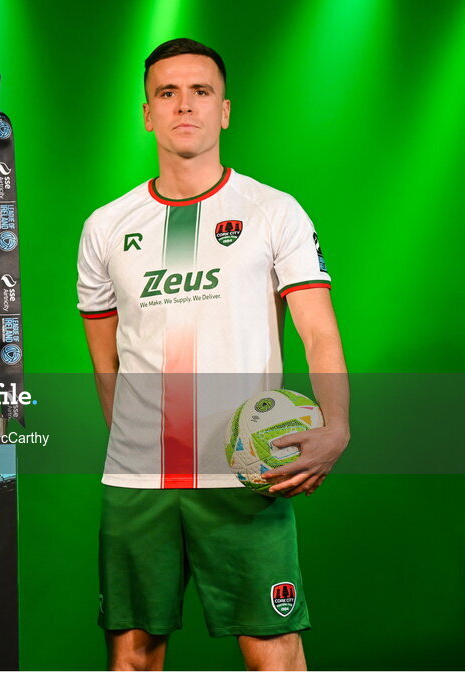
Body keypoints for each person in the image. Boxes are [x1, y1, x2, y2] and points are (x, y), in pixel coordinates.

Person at [77, 39, 350, 670]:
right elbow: (104, 364)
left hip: (246, 473)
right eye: (167, 93)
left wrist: (335, 425)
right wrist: (137, 445)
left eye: (200, 92)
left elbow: (319, 334)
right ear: (147, 113)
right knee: (132, 656)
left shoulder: (273, 212)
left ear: (224, 111)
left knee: (274, 652)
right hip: (140, 481)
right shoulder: (105, 226)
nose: (184, 106)